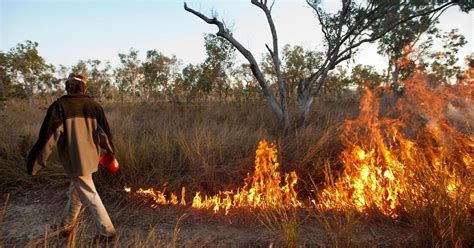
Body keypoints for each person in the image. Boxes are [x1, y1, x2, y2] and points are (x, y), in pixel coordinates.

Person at [26, 73, 117, 241]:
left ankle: (107, 232)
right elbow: (105, 134)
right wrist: (111, 152)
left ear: (67, 86)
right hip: (91, 157)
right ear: (84, 87)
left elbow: (48, 138)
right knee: (75, 192)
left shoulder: (59, 106)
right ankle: (66, 227)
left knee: (89, 193)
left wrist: (35, 163)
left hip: (75, 159)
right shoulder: (94, 106)